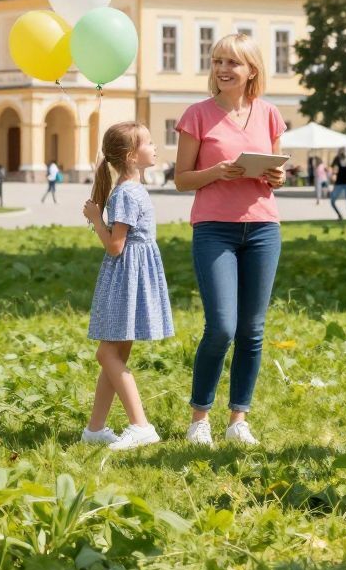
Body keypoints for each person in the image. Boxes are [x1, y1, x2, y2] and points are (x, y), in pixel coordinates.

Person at [175, 32, 287, 447]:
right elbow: (182, 179)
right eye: (218, 60)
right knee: (221, 326)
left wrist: (277, 175)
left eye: (232, 63)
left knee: (252, 330)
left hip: (262, 228)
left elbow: (277, 172)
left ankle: (239, 417)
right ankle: (199, 418)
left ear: (251, 70)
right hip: (214, 229)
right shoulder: (197, 115)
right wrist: (216, 172)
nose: (223, 69)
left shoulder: (270, 114)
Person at [80, 122, 174, 450]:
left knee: (110, 352)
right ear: (132, 156)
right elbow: (116, 246)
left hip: (129, 276)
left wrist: (96, 220)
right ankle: (110, 427)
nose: (155, 147)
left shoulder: (127, 191)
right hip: (128, 276)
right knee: (112, 352)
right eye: (148, 142)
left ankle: (131, 425)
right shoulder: (129, 192)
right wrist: (98, 221)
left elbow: (115, 246)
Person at [330, 153, 346, 221]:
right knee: (332, 201)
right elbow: (332, 167)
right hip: (339, 184)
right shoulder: (337, 162)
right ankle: (340, 215)